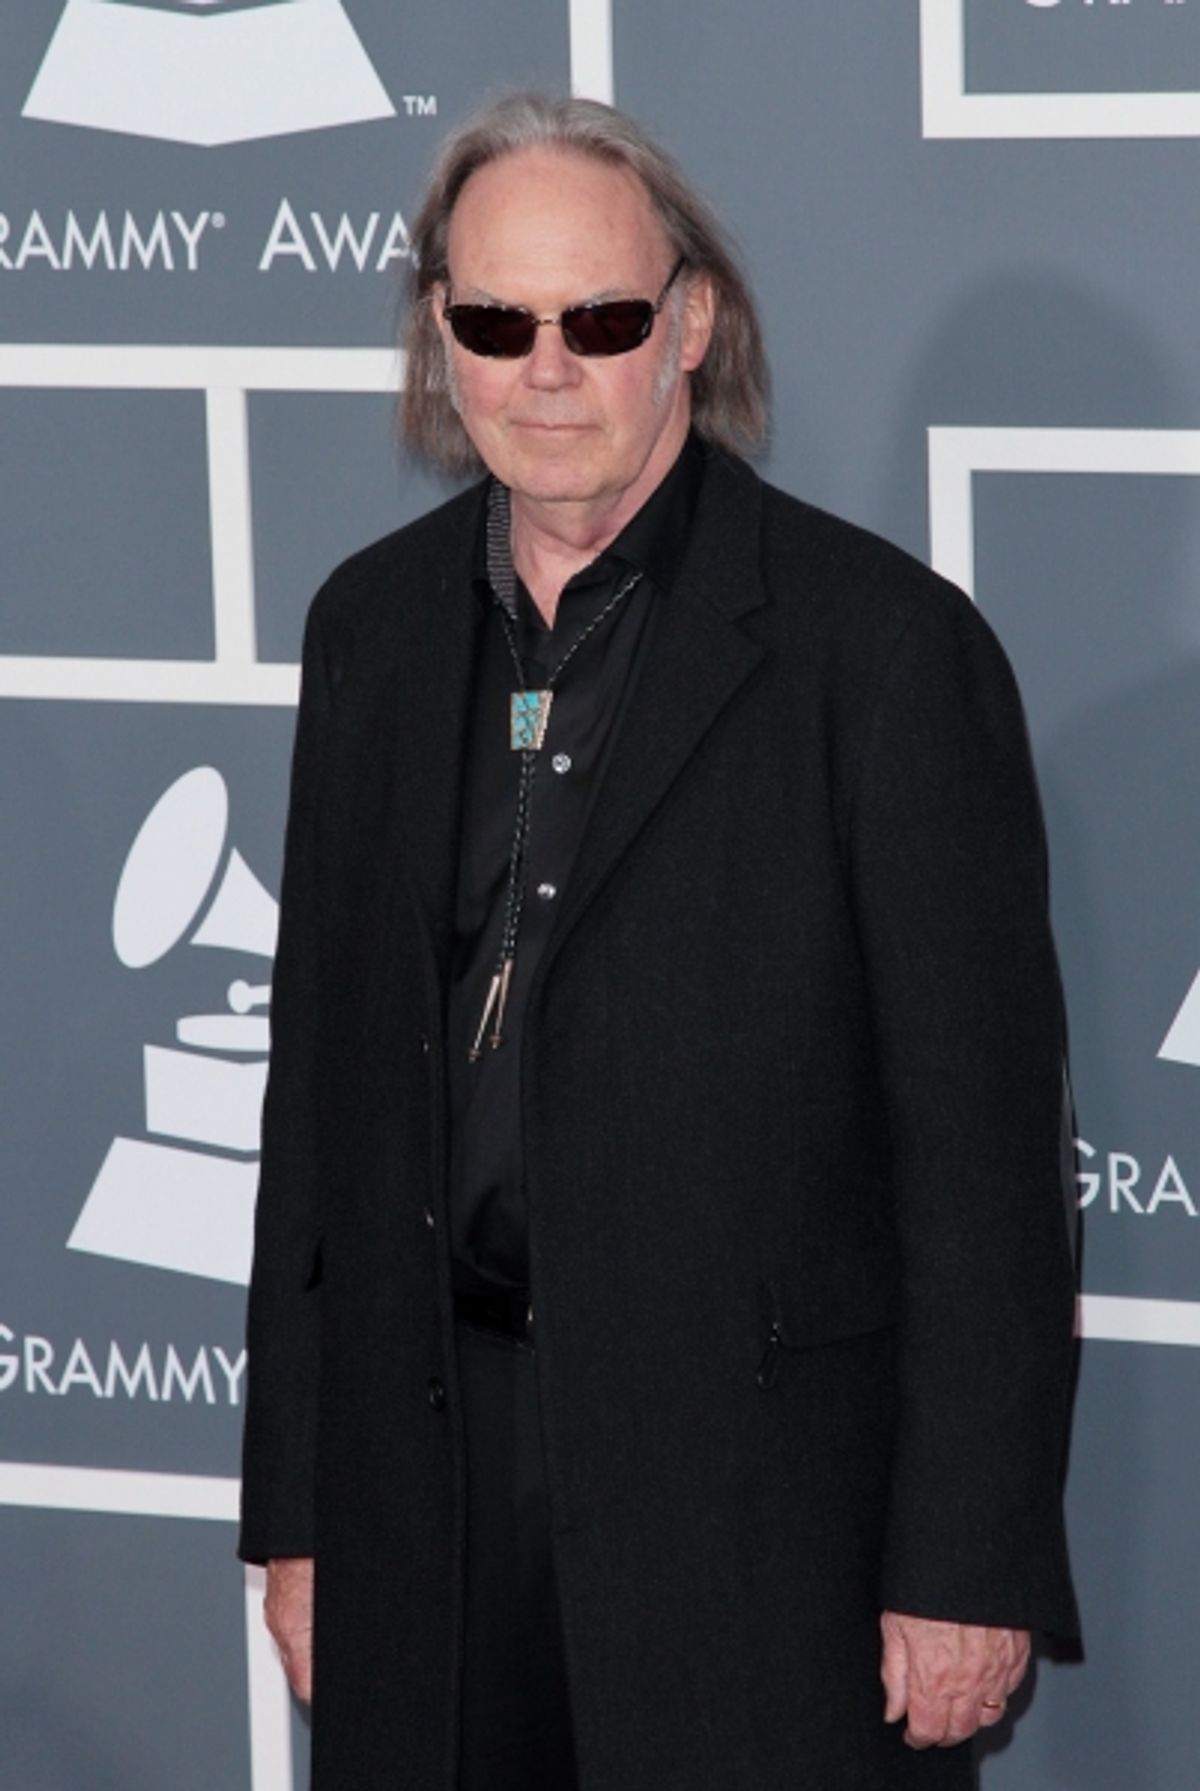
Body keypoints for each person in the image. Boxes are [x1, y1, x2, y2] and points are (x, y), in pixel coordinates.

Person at [239, 91, 1079, 1791]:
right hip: (428, 1487)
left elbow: (986, 1164)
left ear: (689, 324)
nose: (545, 368)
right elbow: (318, 1110)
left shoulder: (884, 656)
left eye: (600, 319)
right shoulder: (371, 631)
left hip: (763, 1514)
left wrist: (966, 1563)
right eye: (496, 320)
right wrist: (303, 1513)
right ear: (440, 338)